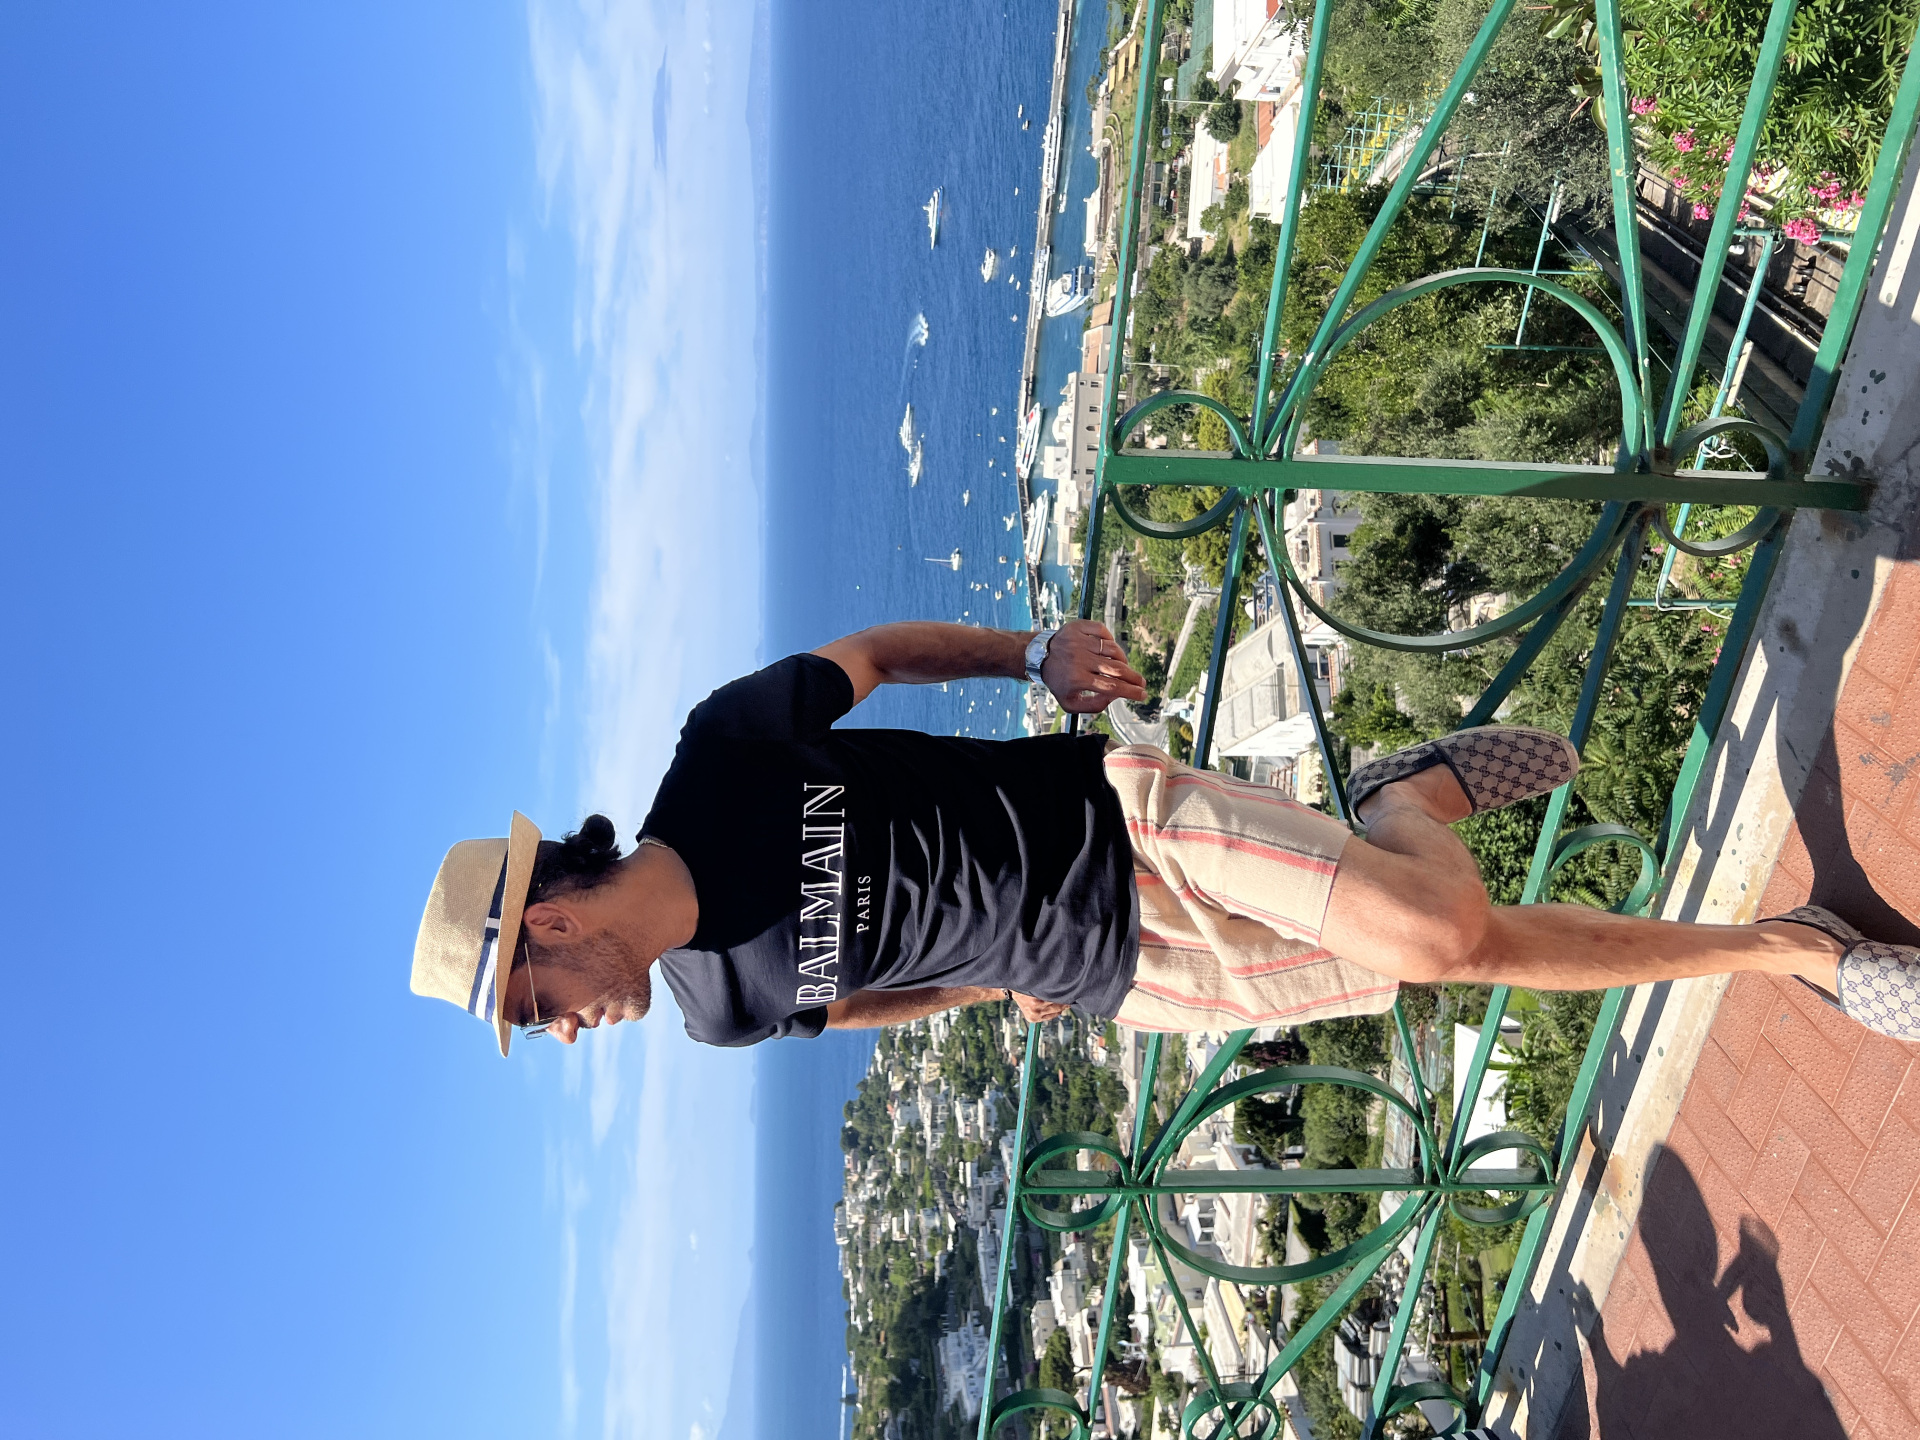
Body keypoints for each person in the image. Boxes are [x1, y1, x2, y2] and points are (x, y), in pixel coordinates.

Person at [409, 620, 1920, 1055]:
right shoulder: (720, 1013)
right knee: (1452, 960)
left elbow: (869, 659)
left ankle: (1793, 951)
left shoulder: (718, 756)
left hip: (1123, 824)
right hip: (1127, 979)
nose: (565, 1033)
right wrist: (999, 982)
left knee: (1441, 936)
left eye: (537, 1010)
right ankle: (1412, 803)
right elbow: (869, 1001)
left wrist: (1032, 657)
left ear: (549, 922)